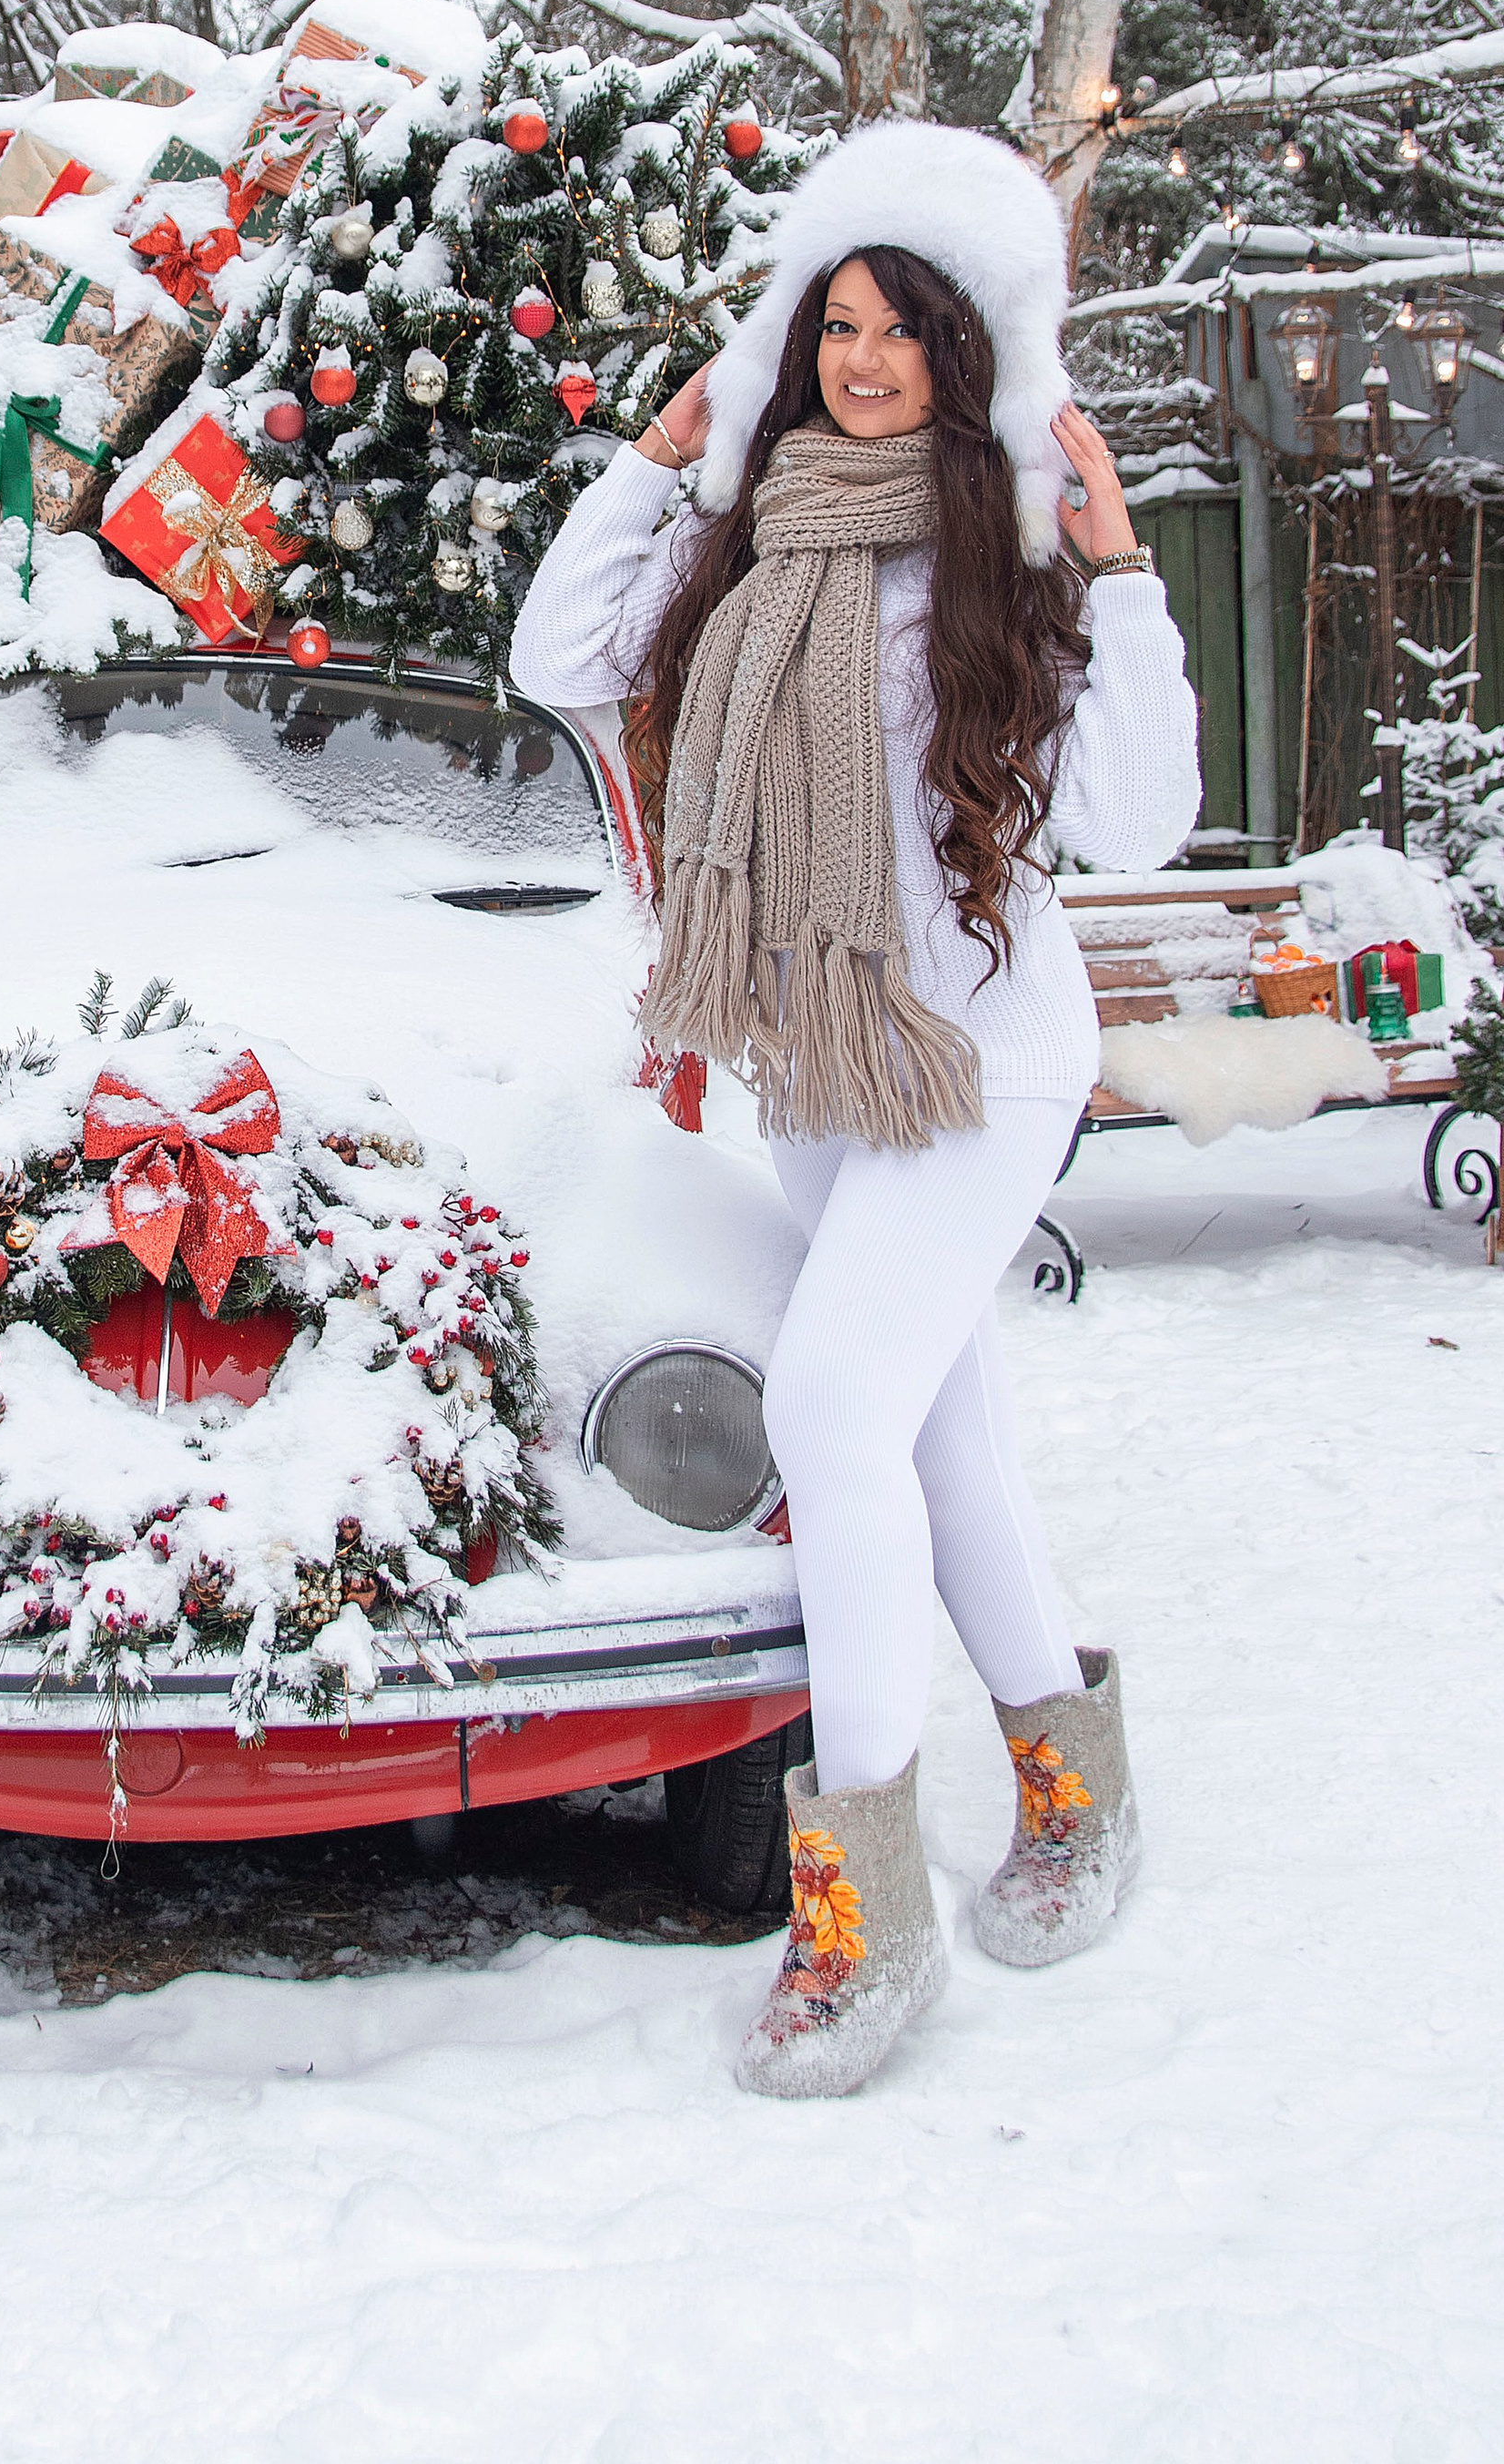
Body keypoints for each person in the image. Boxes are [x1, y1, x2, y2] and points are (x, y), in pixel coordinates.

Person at [509, 120, 1200, 2098]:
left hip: (982, 1058)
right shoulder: (755, 535)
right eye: (834, 325)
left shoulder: (1006, 549)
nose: (863, 358)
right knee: (939, 1439)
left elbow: (1135, 818)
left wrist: (1123, 565)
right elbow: (553, 655)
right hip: (820, 1059)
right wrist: (664, 452)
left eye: (899, 328)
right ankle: (1075, 1789)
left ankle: (864, 1911)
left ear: (960, 351)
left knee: (827, 1410)